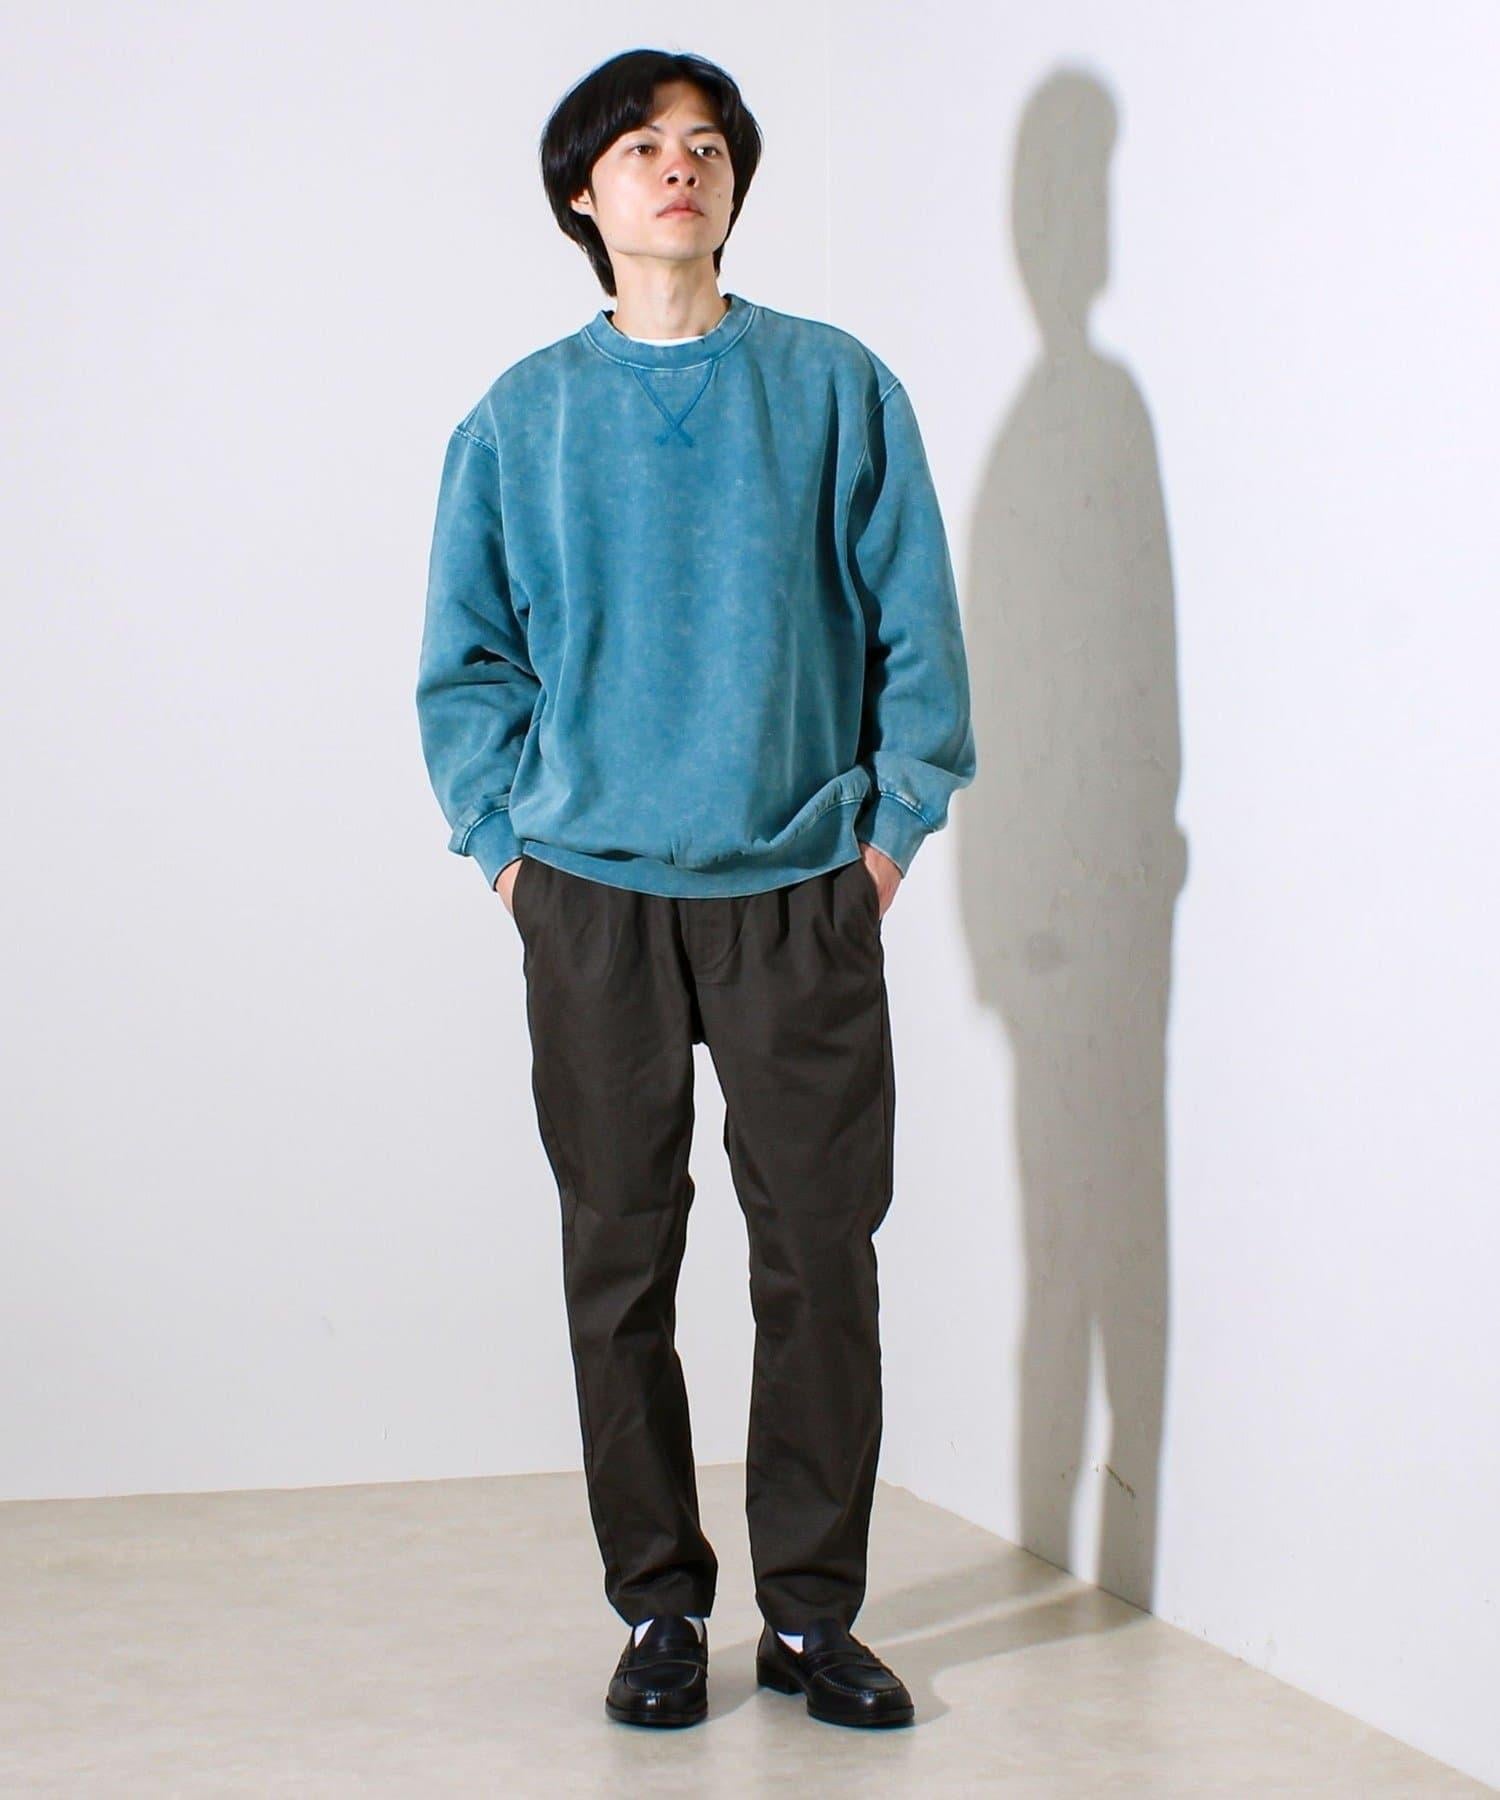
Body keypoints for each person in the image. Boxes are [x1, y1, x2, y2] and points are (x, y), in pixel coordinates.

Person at [415, 47, 975, 1732]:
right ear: (582, 193)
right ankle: (659, 1608)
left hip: (801, 886)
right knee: (619, 1260)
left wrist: (886, 839)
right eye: (644, 147)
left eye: (708, 145)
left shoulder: (835, 388)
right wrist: (508, 855)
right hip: (589, 897)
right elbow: (467, 664)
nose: (682, 167)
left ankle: (811, 1620)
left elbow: (918, 637)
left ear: (734, 185)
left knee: (822, 1262)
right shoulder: (520, 418)